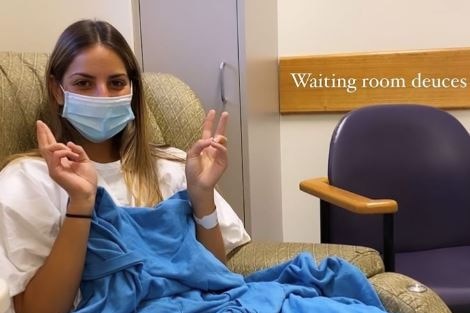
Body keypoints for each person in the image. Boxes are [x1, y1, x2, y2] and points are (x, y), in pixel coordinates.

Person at [0, 19, 250, 313]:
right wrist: (81, 203)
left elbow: (215, 280)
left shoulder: (175, 165)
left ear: (132, 90)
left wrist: (202, 195)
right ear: (57, 90)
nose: (102, 95)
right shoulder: (26, 180)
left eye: (116, 83)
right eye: (83, 83)